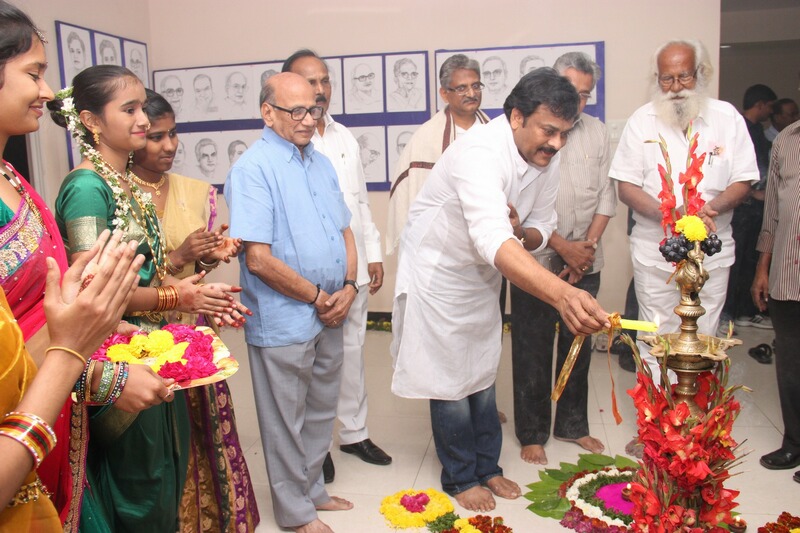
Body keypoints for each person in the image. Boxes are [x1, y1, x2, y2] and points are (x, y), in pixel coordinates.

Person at [391, 68, 610, 513]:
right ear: (515, 117)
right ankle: (460, 475)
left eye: (564, 133)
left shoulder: (548, 154)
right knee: (450, 380)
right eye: (549, 130)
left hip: (481, 273)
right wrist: (562, 294)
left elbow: (540, 229)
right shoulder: (478, 153)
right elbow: (492, 239)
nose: (557, 143)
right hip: (439, 273)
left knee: (482, 371)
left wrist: (521, 233)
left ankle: (487, 466)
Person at [0, 8, 179, 531]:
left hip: (57, 403)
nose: (49, 91)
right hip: (34, 411)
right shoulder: (85, 186)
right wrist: (98, 368)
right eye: (34, 73)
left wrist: (106, 326)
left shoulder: (12, 176)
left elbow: (60, 299)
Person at [49, 64, 245, 532]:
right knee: (139, 486)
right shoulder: (87, 189)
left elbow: (152, 273)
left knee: (166, 477)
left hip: (151, 349)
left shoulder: (124, 184)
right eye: (130, 109)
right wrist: (180, 296)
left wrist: (194, 288)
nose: (143, 119)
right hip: (118, 359)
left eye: (143, 108)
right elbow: (94, 296)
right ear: (93, 122)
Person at [225, 72, 356, 533]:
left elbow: (345, 229)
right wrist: (319, 296)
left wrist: (350, 286)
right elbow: (258, 259)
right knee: (285, 418)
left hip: (332, 308)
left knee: (321, 407)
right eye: (295, 110)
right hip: (286, 315)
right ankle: (294, 513)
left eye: (314, 109)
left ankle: (313, 490)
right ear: (268, 112)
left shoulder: (318, 162)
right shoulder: (252, 169)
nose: (307, 119)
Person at [131, 89, 259, 532]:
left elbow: (197, 270)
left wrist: (212, 255)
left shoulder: (195, 191)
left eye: (173, 134)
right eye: (156, 137)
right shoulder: (118, 192)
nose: (168, 146)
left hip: (192, 332)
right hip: (139, 337)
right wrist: (179, 253)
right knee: (160, 438)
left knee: (205, 428)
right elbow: (130, 275)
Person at [610, 39, 757, 384]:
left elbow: (745, 180)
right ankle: (658, 430)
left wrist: (714, 207)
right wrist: (672, 214)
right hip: (655, 254)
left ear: (699, 74)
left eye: (684, 77)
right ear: (657, 80)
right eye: (666, 79)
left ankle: (695, 431)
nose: (675, 88)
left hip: (711, 256)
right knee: (656, 337)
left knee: (703, 336)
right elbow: (626, 187)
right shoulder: (641, 121)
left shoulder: (726, 118)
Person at [284, 49, 390, 484]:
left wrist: (374, 253)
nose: (321, 90)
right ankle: (318, 444)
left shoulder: (344, 137)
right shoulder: (290, 140)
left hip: (354, 267)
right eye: (311, 82)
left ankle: (355, 433)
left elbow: (358, 202)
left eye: (325, 81)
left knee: (351, 353)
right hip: (314, 276)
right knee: (313, 360)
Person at [510, 53, 616, 466]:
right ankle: (532, 431)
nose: (579, 100)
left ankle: (572, 425)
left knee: (580, 344)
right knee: (532, 344)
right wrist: (562, 246)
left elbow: (606, 195)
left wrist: (584, 247)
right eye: (571, 90)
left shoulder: (599, 133)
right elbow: (520, 204)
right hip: (537, 255)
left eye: (585, 94)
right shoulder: (531, 133)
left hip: (587, 257)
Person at [1, 229, 144, 532]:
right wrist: (72, 357)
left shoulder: (12, 180)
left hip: (48, 417)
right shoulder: (85, 188)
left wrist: (76, 327)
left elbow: (17, 353)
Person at [386, 53, 490, 254]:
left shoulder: (495, 133)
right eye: (462, 88)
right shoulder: (425, 138)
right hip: (441, 249)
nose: (471, 93)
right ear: (444, 94)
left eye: (476, 86)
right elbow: (410, 195)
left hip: (486, 242)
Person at [751, 117, 800, 482]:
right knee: (790, 362)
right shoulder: (786, 140)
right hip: (787, 269)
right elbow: (772, 213)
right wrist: (762, 267)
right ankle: (794, 442)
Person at [721, 83, 777, 334]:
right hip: (741, 210)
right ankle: (726, 315)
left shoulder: (758, 130)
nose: (771, 113)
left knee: (749, 261)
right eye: (770, 108)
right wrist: (753, 192)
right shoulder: (741, 129)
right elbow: (743, 172)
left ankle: (744, 311)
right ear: (760, 105)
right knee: (734, 262)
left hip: (756, 212)